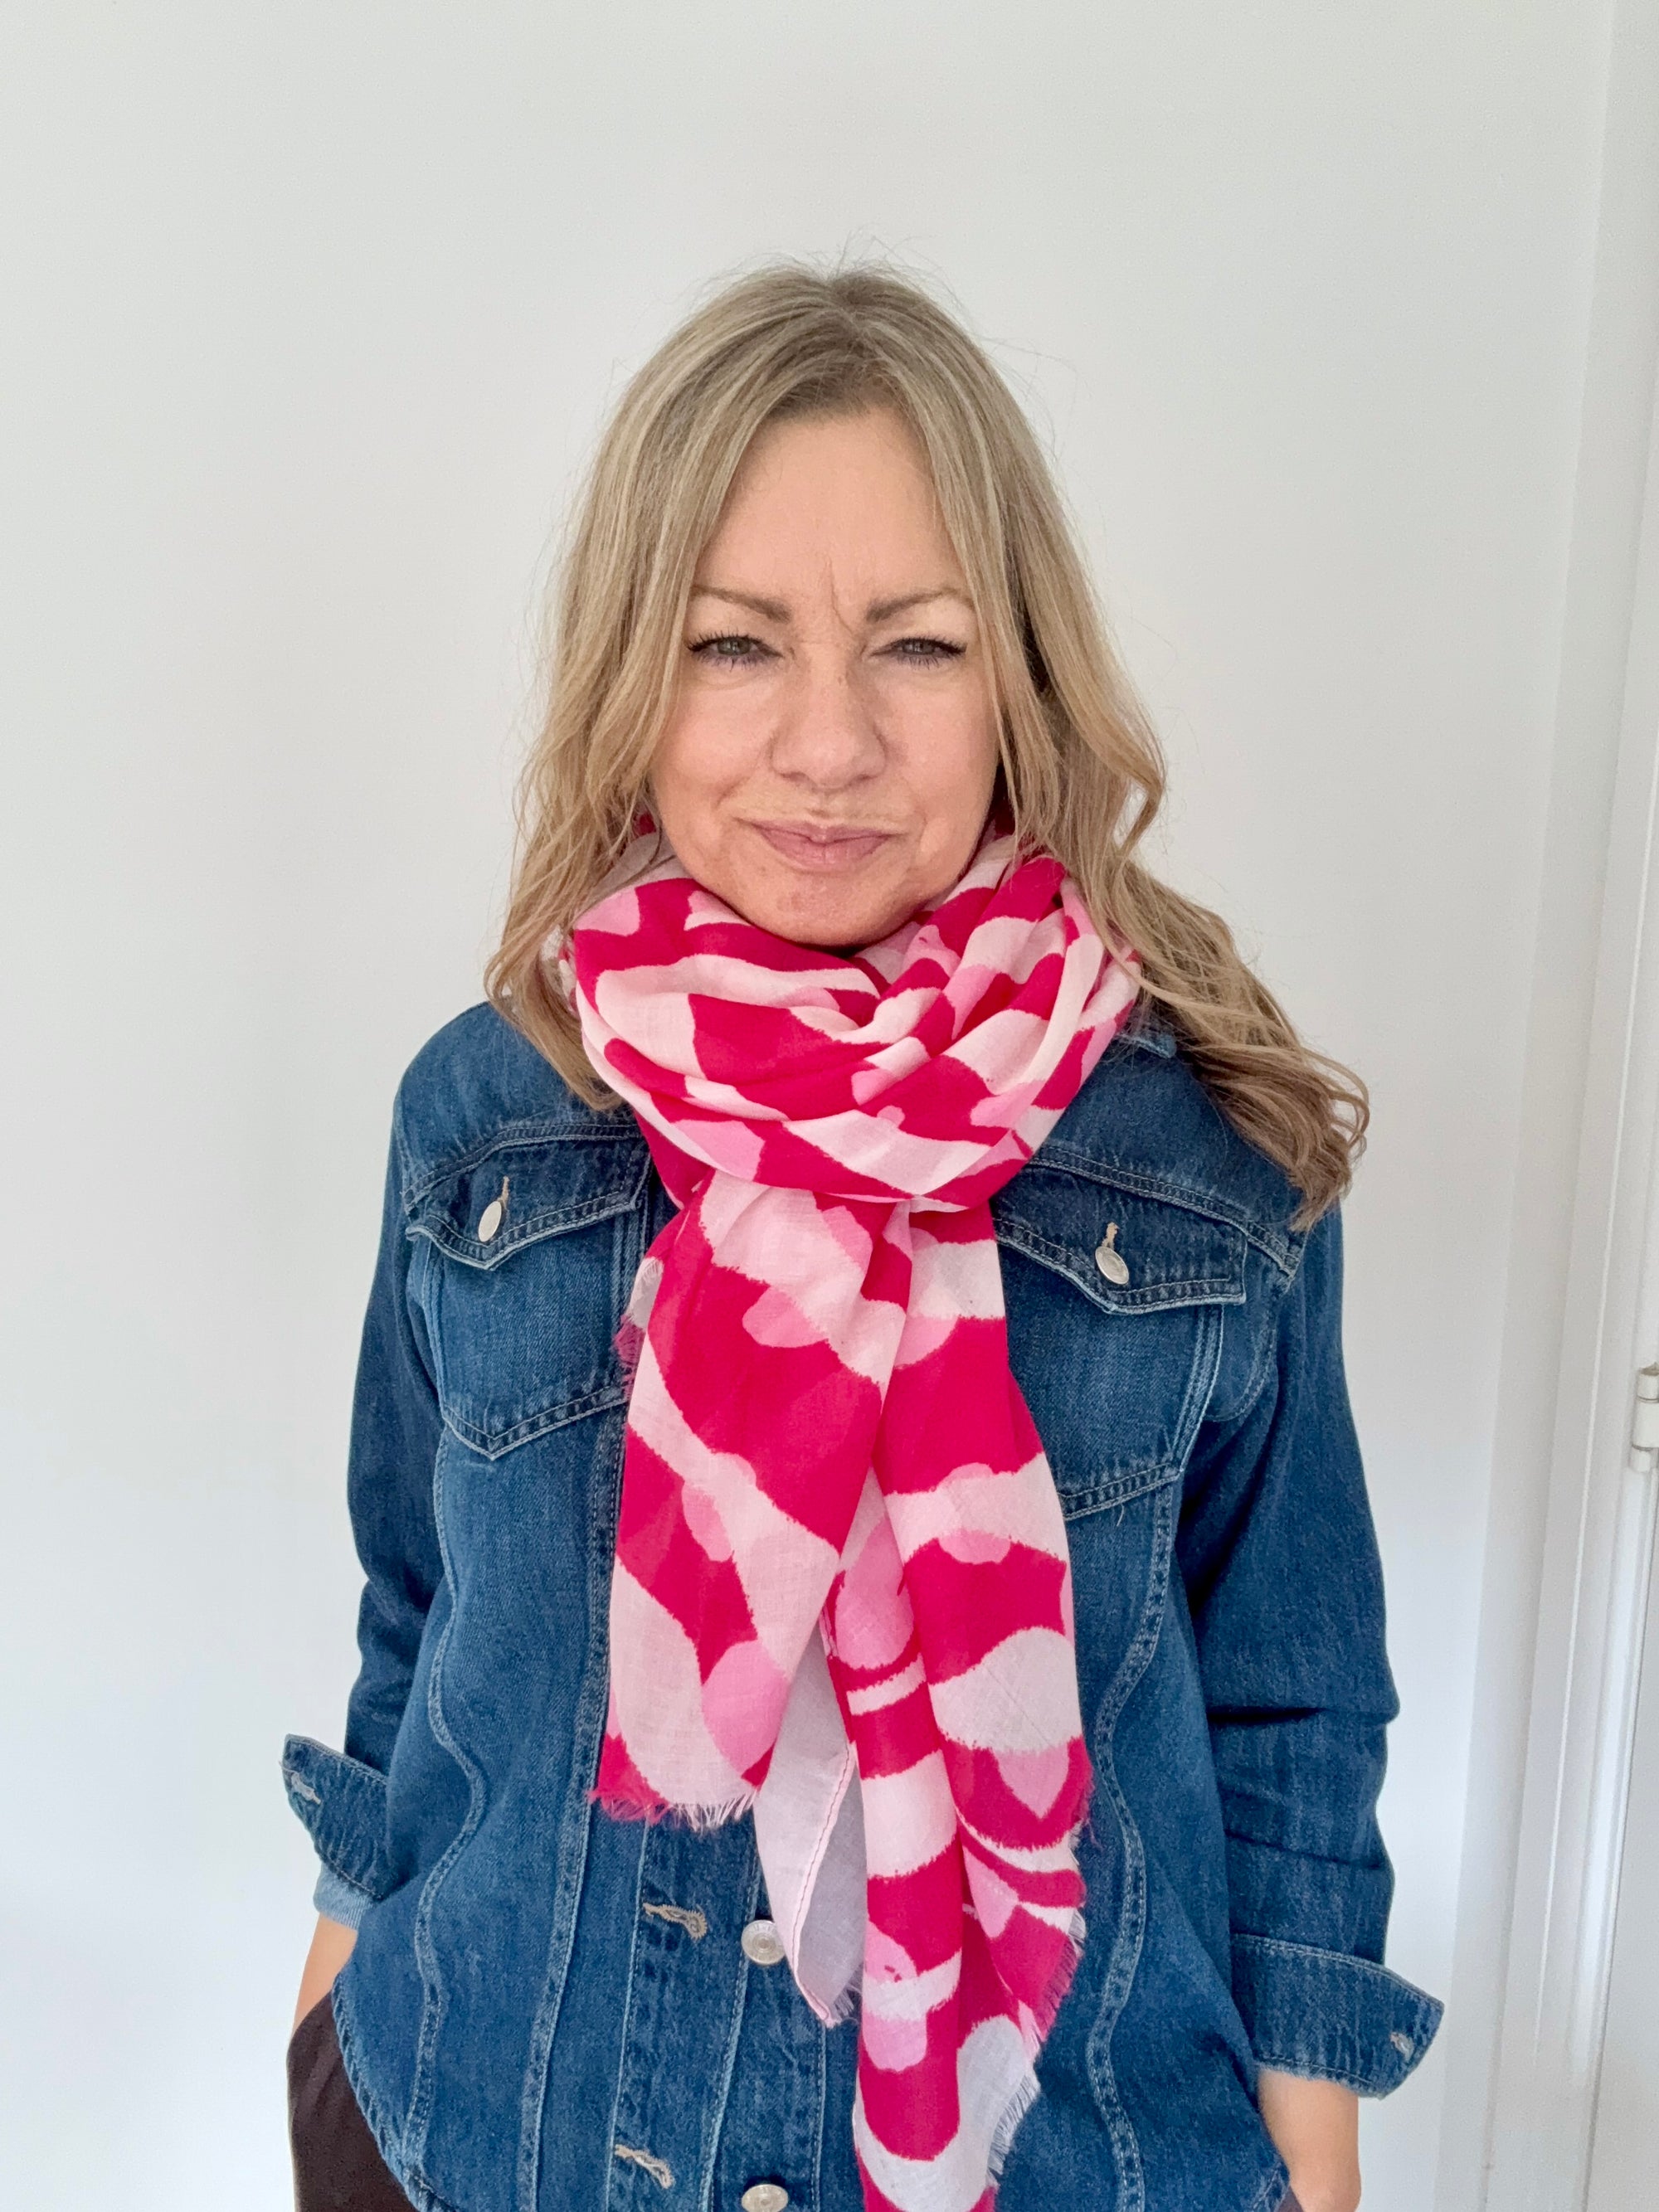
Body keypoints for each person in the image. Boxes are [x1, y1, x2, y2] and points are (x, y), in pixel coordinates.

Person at [282, 262, 1442, 2212]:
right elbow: (420, 1615)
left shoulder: (1203, 1151)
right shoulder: (484, 1111)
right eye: (736, 646)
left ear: (1023, 676)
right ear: (632, 670)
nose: (827, 744)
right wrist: (324, 2012)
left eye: (915, 646)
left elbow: (1288, 1703)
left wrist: (1311, 2164)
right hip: (479, 2139)